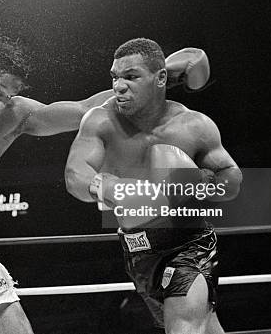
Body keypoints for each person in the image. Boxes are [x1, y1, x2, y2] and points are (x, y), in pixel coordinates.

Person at [0, 33, 204, 334]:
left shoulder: (16, 114)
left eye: (9, 95)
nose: (0, 104)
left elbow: (86, 109)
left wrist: (158, 82)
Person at [65, 38, 242, 334]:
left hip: (188, 243)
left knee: (183, 329)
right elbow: (74, 174)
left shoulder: (194, 125)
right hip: (138, 251)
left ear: (161, 78)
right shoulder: (101, 120)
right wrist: (110, 188)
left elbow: (232, 178)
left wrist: (199, 185)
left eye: (131, 77)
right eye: (115, 77)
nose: (119, 86)